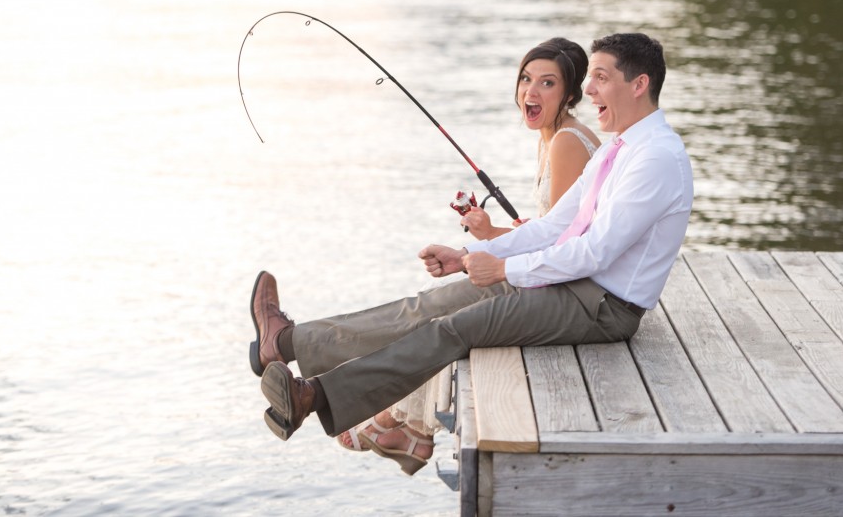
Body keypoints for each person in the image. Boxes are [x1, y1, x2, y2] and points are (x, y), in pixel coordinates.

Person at [249, 32, 693, 476]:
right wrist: (468, 254)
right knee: (430, 305)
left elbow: (595, 251)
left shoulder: (655, 158)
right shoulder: (619, 148)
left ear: (639, 84)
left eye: (601, 77)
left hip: (603, 307)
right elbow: (556, 226)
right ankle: (285, 342)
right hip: (572, 282)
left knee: (457, 328)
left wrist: (504, 268)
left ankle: (313, 397)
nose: (590, 89)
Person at [333, 37, 600, 470]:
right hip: (555, 268)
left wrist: (489, 244)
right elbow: (555, 226)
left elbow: (563, 242)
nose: (531, 93)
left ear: (570, 94)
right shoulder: (553, 136)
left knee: (453, 315)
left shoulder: (567, 142)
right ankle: (405, 426)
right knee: (451, 303)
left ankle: (401, 424)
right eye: (526, 79)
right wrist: (489, 230)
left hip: (570, 286)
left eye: (547, 83)